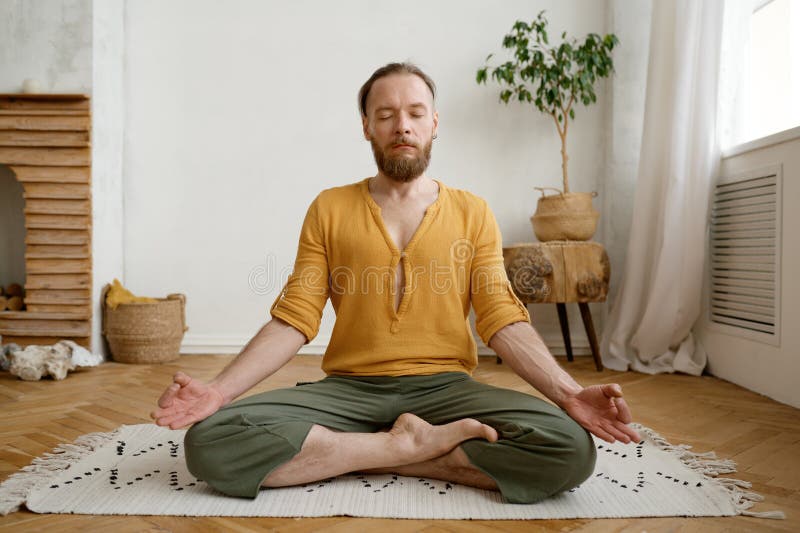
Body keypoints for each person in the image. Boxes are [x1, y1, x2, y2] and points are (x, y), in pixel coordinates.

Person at [151, 62, 641, 505]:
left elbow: (501, 317)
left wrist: (569, 393)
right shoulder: (330, 207)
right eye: (384, 114)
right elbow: (295, 318)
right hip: (349, 390)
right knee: (210, 441)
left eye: (414, 112)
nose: (401, 125)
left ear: (434, 123)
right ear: (366, 126)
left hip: (446, 389)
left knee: (569, 448)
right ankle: (402, 446)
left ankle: (356, 453)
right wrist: (218, 391)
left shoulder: (473, 212)